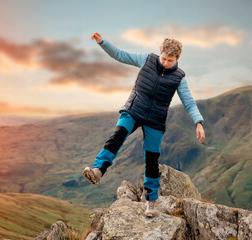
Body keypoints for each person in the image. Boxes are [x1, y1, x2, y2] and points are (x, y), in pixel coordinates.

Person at [83, 32, 205, 217]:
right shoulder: (147, 60)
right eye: (164, 58)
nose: (165, 63)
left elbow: (188, 101)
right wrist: (102, 42)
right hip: (133, 109)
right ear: (160, 53)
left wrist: (198, 122)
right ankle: (98, 170)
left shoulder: (179, 77)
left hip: (155, 120)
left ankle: (151, 203)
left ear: (177, 59)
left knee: (151, 159)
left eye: (170, 60)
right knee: (117, 136)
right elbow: (120, 55)